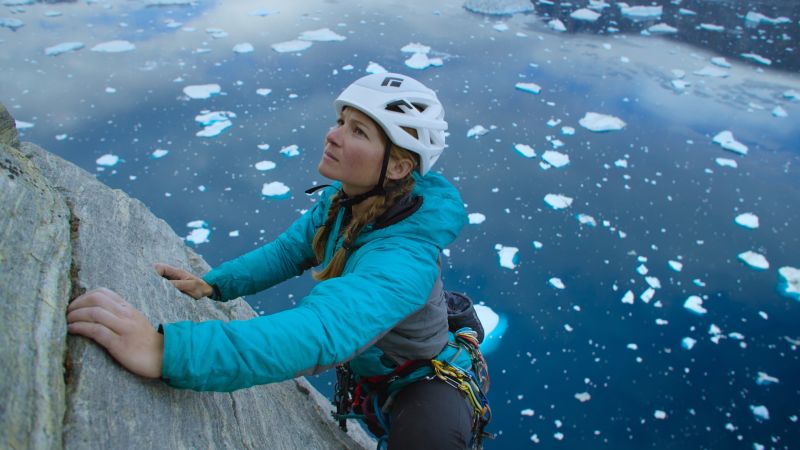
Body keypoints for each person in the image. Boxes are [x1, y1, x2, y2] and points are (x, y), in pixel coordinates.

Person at [67, 73, 490, 450]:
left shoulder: (404, 259)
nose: (334, 135)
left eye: (357, 131)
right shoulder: (346, 203)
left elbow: (321, 330)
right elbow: (290, 251)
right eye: (341, 121)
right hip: (382, 372)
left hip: (425, 389)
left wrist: (167, 350)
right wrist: (214, 285)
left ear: (397, 166)